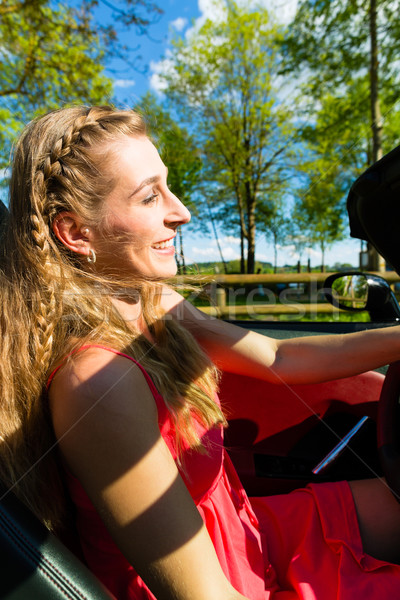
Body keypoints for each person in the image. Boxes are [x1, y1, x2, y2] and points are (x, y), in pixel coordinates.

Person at [1, 105, 400, 600]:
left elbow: (281, 358)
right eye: (151, 197)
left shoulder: (155, 303)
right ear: (76, 233)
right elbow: (206, 595)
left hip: (241, 530)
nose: (182, 211)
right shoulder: (100, 383)